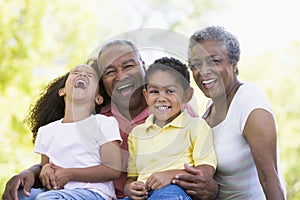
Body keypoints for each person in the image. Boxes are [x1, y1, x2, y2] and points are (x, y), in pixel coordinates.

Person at [2, 40, 198, 200]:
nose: (121, 76)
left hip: (158, 192)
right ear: (102, 84)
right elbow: (61, 155)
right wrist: (31, 172)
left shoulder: (174, 109)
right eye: (110, 71)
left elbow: (199, 160)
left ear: (143, 67)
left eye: (128, 65)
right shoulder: (97, 117)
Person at [172, 26, 286, 199]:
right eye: (196, 64)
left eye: (214, 61)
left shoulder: (250, 104)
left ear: (234, 63)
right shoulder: (210, 107)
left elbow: (269, 179)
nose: (203, 71)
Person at [24, 64, 122, 200]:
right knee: (20, 195)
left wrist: (70, 174)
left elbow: (113, 169)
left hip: (93, 193)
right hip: (56, 193)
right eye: (76, 72)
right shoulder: (46, 131)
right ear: (62, 91)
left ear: (98, 98)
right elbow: (45, 165)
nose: (82, 75)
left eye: (90, 76)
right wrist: (45, 170)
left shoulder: (103, 123)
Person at [123, 57, 217, 200]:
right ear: (146, 95)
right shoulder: (137, 133)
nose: (162, 98)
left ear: (187, 95)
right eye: (154, 91)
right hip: (144, 194)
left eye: (170, 91)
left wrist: (172, 175)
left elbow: (205, 172)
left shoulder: (196, 127)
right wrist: (130, 188)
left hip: (176, 190)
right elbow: (132, 178)